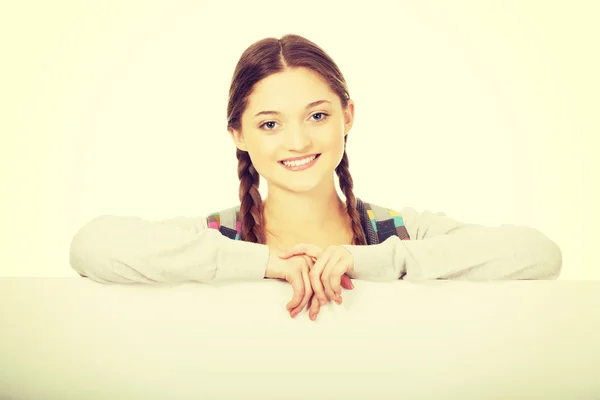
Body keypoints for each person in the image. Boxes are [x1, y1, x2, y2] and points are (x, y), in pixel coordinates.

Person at [69, 33, 562, 321]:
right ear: (238, 134)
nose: (299, 142)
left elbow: (538, 254)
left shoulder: (399, 232)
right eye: (269, 124)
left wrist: (361, 260)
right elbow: (92, 247)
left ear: (348, 116)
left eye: (318, 116)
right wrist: (265, 263)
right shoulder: (217, 236)